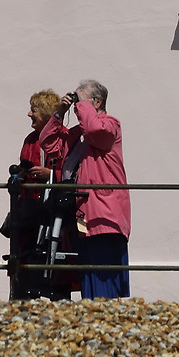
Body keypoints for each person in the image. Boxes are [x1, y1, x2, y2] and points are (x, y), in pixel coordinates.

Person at [5, 89, 77, 300]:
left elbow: (70, 172)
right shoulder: (30, 139)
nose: (29, 114)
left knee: (54, 260)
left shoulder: (64, 137)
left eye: (33, 110)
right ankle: (22, 295)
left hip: (53, 212)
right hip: (30, 208)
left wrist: (50, 174)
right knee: (24, 256)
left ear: (45, 113)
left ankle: (56, 296)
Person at [66, 79, 130, 299]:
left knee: (105, 277)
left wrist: (82, 104)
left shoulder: (110, 125)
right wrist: (59, 113)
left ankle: (107, 324)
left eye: (82, 101)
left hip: (105, 214)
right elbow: (50, 143)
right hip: (84, 214)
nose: (78, 107)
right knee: (89, 276)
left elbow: (95, 129)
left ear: (98, 101)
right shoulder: (81, 133)